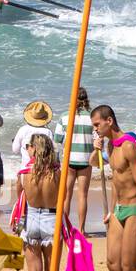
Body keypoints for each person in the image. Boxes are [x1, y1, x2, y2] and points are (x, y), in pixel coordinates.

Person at [93, 105, 136, 271]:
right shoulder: (111, 147)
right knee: (113, 264)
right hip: (118, 210)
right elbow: (115, 181)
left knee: (131, 268)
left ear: (109, 121)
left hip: (135, 211)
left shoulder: (128, 145)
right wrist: (111, 212)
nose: (95, 129)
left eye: (97, 124)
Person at [17, 133, 59, 271]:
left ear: (34, 149)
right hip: (51, 219)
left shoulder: (25, 173)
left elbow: (20, 196)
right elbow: (63, 197)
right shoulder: (58, 172)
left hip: (31, 218)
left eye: (28, 146)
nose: (26, 149)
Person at [53, 86, 95, 234]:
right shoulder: (92, 117)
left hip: (69, 159)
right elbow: (97, 138)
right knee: (82, 195)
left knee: (67, 195)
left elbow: (57, 138)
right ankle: (82, 229)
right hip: (86, 159)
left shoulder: (65, 116)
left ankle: (65, 228)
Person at [12, 101, 52, 166]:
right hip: (43, 168)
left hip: (26, 168)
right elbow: (52, 151)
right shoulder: (47, 132)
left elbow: (15, 150)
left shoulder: (23, 129)